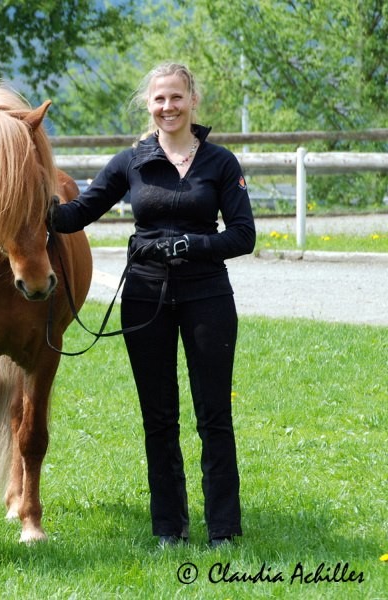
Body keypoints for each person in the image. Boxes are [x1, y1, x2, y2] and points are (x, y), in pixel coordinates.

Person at [53, 62, 255, 548]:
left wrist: (191, 245)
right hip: (145, 297)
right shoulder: (131, 161)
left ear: (193, 101)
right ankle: (169, 527)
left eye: (177, 98)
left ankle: (223, 529)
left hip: (207, 296)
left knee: (213, 415)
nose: (168, 107)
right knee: (159, 416)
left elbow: (244, 235)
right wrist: (21, 205)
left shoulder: (220, 162)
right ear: (149, 104)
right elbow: (77, 213)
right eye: (160, 99)